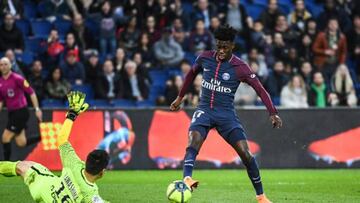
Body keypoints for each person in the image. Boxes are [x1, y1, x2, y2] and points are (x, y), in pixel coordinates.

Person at [170, 25, 282, 203]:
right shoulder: (205, 58)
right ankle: (187, 179)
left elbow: (260, 89)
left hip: (226, 116)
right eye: (219, 46)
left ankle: (261, 196)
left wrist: (273, 113)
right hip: (204, 110)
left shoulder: (240, 67)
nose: (221, 50)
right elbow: (191, 75)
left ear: (232, 47)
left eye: (225, 47)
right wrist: (180, 97)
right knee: (194, 139)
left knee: (246, 154)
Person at [0, 91, 110, 202]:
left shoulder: (74, 164)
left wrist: (72, 115)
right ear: (102, 173)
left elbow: (61, 139)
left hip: (45, 189)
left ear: (86, 162)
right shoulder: (90, 194)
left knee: (22, 166)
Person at [0, 57, 42, 161]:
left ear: (10, 65)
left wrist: (37, 109)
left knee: (5, 138)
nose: (3, 66)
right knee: (21, 142)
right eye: (1, 64)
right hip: (12, 113)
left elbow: (31, 92)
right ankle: (41, 137)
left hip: (21, 112)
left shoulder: (17, 78)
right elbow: (1, 100)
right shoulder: (0, 82)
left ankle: (5, 165)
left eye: (6, 64)